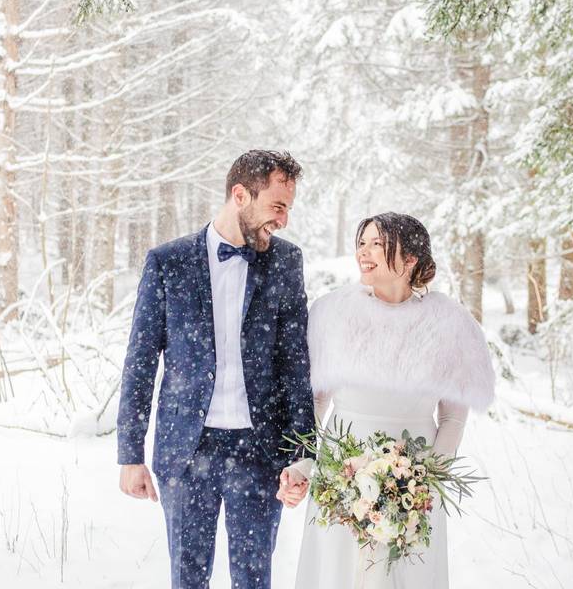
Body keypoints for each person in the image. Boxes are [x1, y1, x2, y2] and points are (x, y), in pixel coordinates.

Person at [116, 150, 315, 589]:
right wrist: (130, 454)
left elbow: (295, 363)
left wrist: (303, 452)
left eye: (288, 209)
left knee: (253, 580)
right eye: (277, 206)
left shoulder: (285, 262)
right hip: (186, 452)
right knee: (187, 580)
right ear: (240, 195)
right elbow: (140, 361)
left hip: (260, 453)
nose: (282, 220)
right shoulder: (168, 263)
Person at [278, 212, 496, 589]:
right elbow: (314, 403)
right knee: (337, 573)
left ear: (410, 259)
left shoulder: (448, 322)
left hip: (414, 478)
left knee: (405, 574)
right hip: (341, 471)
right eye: (361, 242)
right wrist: (303, 465)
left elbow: (453, 417)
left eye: (377, 243)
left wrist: (425, 481)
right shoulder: (333, 312)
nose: (364, 251)